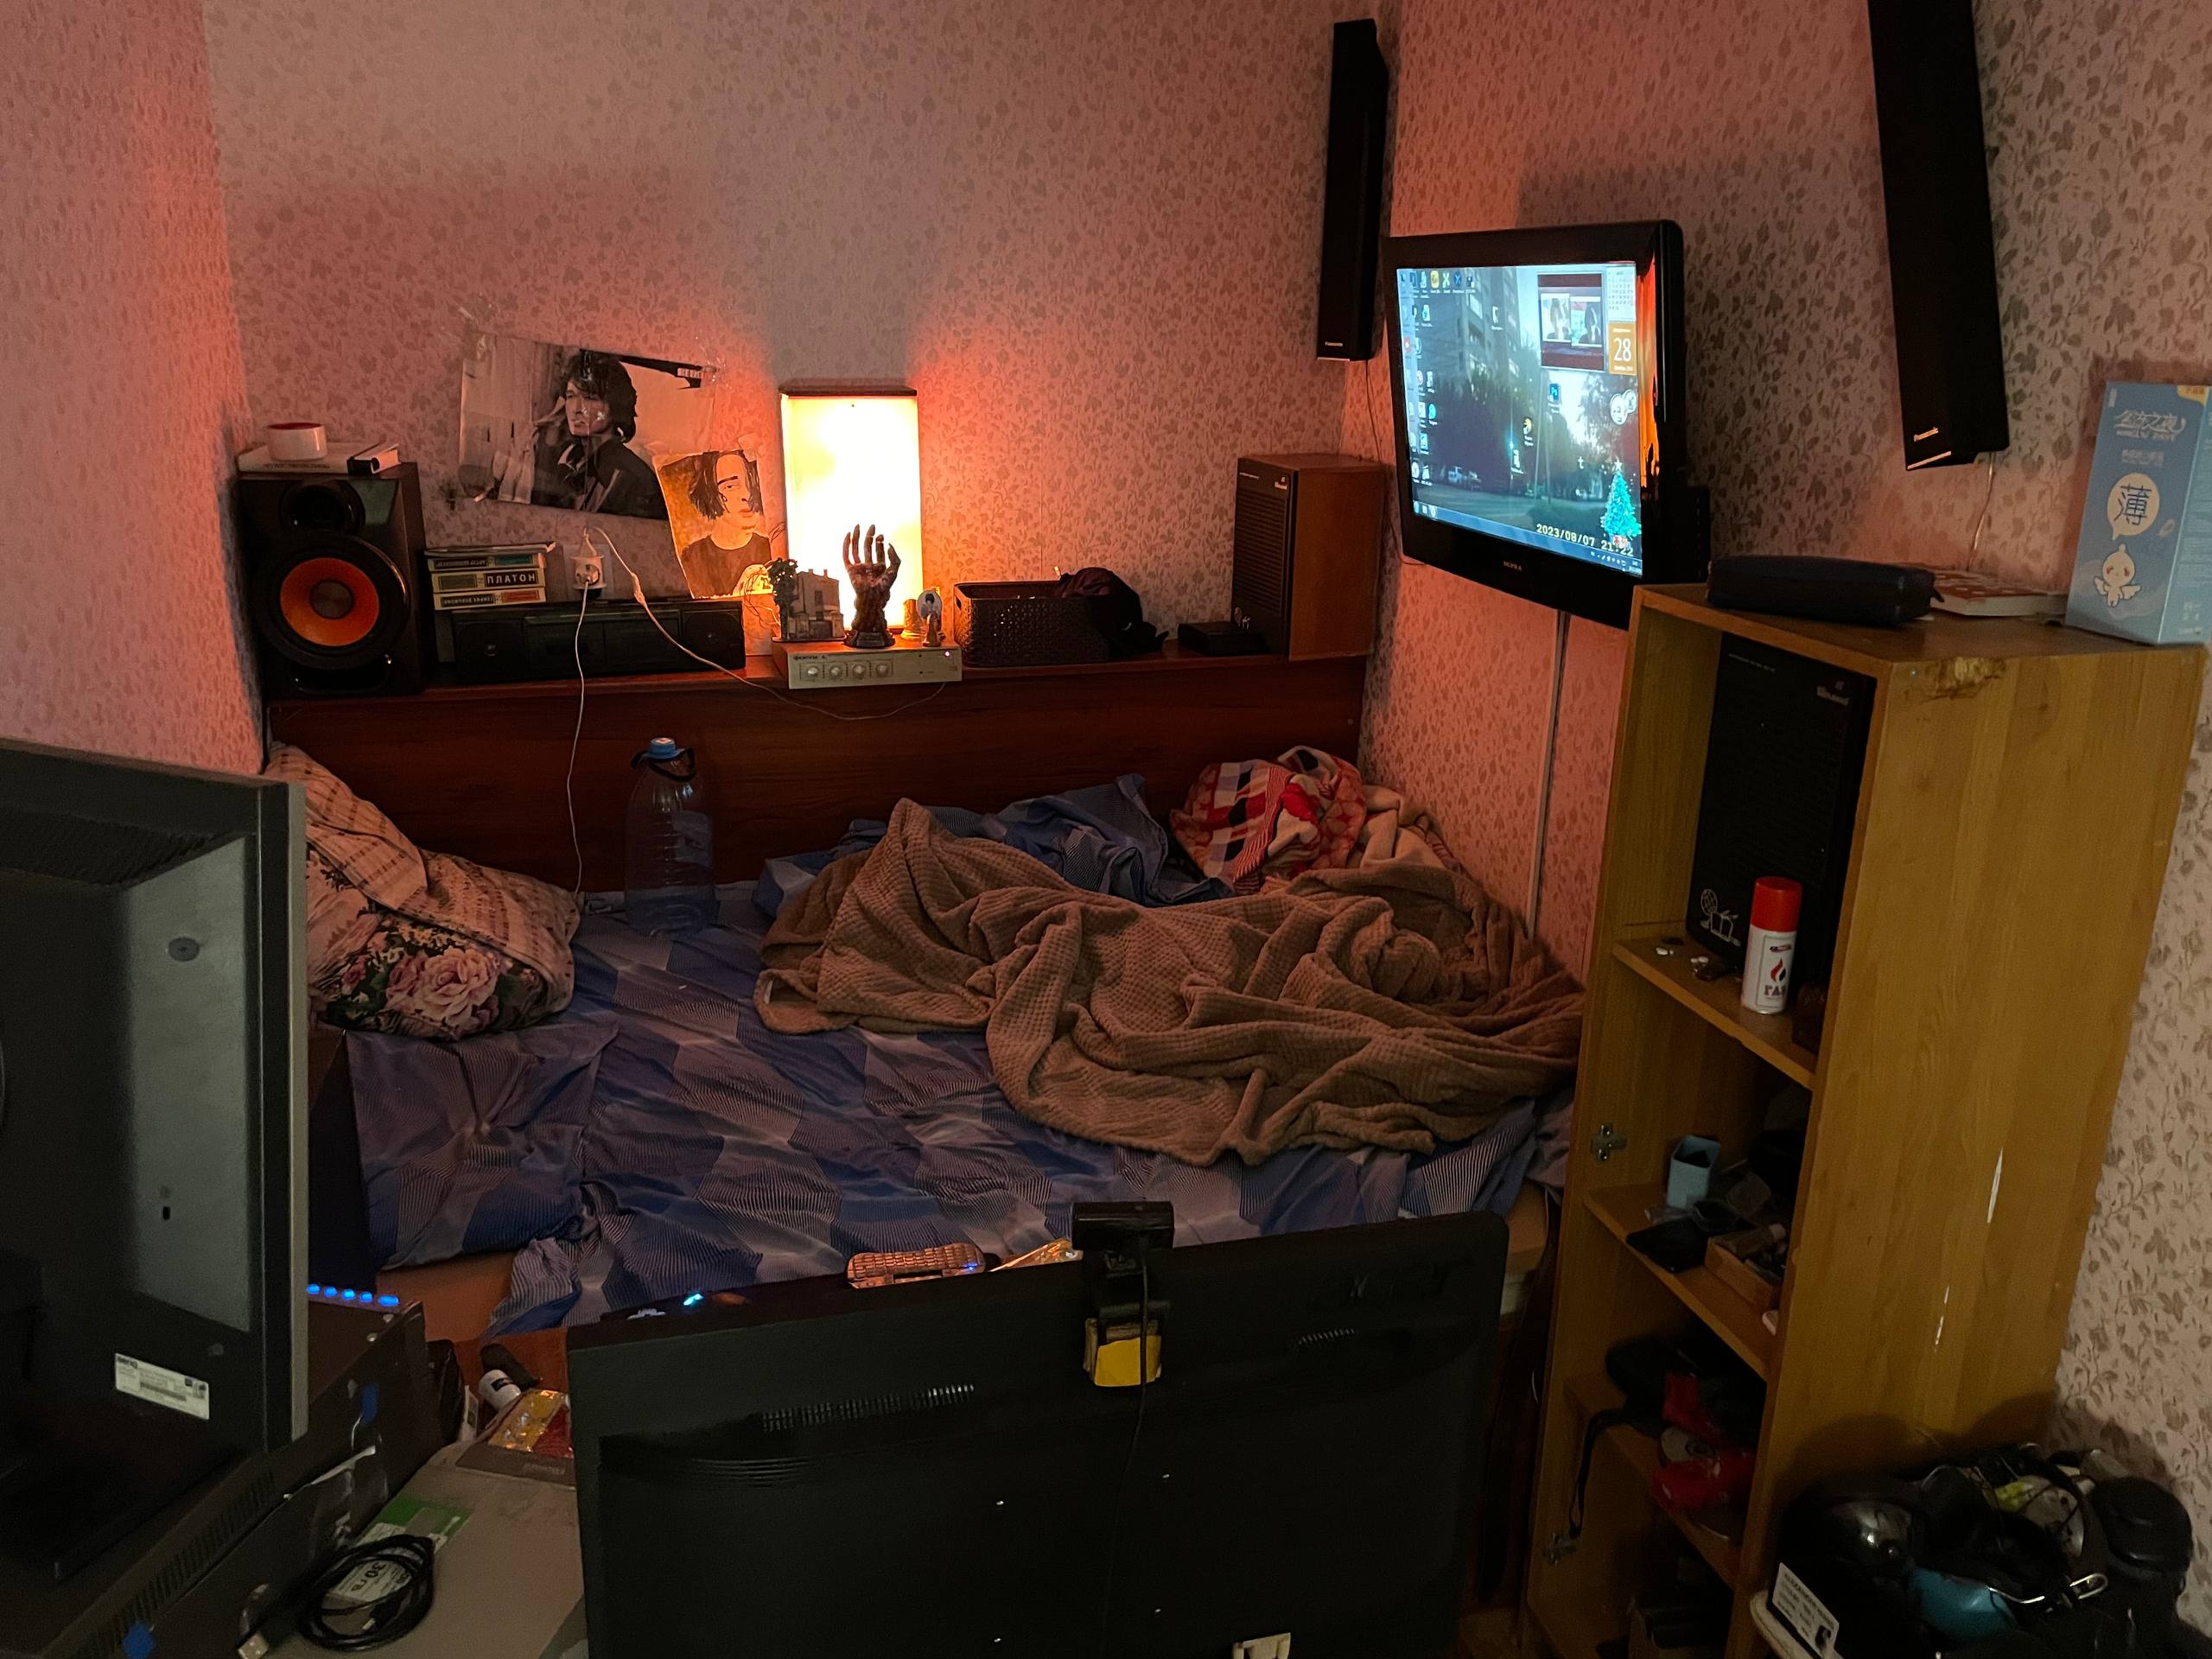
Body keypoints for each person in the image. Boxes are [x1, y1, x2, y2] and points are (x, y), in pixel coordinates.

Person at [531, 352, 667, 518]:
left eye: (590, 398)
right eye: (571, 396)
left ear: (615, 405)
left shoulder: (635, 478)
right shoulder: (564, 461)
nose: (577, 409)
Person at [674, 449, 779, 597]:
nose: (747, 495)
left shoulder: (770, 550)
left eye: (752, 484)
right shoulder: (692, 557)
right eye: (730, 486)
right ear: (709, 494)